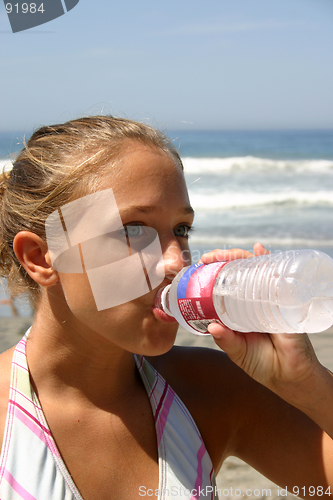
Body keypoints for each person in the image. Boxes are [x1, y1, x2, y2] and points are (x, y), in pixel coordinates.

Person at [0, 116, 332, 500]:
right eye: (134, 229)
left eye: (181, 229)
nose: (177, 262)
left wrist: (308, 384)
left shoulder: (212, 391)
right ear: (40, 257)